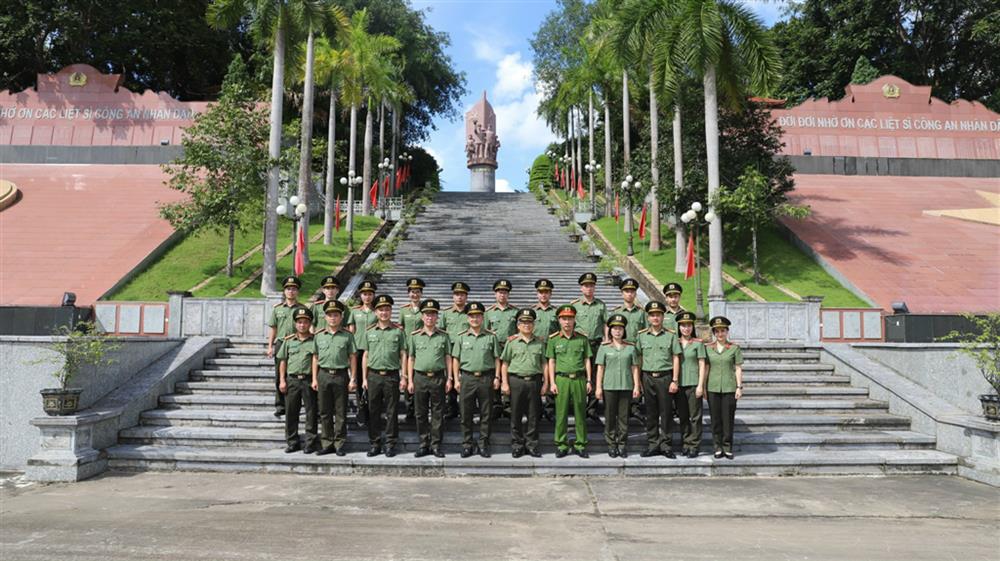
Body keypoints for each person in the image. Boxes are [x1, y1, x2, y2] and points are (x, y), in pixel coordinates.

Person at [452, 302, 501, 458]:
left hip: (486, 378)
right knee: (465, 413)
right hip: (467, 378)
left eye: (478, 316)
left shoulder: (491, 337)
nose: (475, 319)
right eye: (472, 316)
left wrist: (497, 377)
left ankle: (483, 443)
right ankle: (467, 444)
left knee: (486, 413)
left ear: (482, 317)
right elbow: (455, 359)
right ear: (467, 318)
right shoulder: (461, 337)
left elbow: (497, 359)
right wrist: (456, 379)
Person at [359, 294, 406, 457]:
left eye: (387, 310)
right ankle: (375, 443)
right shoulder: (369, 332)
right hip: (373, 376)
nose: (384, 313)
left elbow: (403, 355)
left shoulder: (398, 332)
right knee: (373, 410)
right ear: (376, 312)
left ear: (391, 311)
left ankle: (391, 443)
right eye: (380, 310)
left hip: (392, 376)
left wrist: (404, 376)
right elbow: (365, 355)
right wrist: (364, 378)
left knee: (392, 411)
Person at [406, 298, 452, 458]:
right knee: (421, 413)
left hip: (438, 377)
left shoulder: (444, 336)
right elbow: (410, 358)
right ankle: (423, 444)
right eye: (427, 314)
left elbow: (448, 357)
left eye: (433, 315)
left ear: (437, 317)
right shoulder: (415, 336)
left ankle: (436, 445)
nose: (430, 318)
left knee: (438, 412)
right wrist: (409, 380)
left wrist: (450, 378)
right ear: (422, 317)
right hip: (420, 378)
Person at [636, 301, 682, 458]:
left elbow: (676, 357)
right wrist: (638, 382)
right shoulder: (641, 336)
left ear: (663, 317)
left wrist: (675, 380)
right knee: (651, 413)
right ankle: (653, 444)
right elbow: (638, 359)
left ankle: (666, 445)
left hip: (665, 377)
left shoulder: (671, 335)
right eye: (652, 315)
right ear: (648, 318)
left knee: (666, 412)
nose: (655, 318)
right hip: (647, 377)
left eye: (658, 315)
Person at [546, 304, 593, 458]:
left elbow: (587, 360)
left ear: (574, 320)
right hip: (561, 379)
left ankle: (580, 444)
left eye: (570, 318)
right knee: (561, 414)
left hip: (579, 379)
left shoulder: (582, 339)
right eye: (564, 319)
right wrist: (552, 382)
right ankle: (561, 444)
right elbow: (551, 361)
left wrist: (589, 380)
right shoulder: (553, 340)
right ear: (559, 320)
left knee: (580, 413)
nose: (567, 322)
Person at [312, 299, 357, 456]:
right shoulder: (319, 336)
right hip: (323, 374)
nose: (333, 318)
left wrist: (353, 378)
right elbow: (315, 358)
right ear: (325, 317)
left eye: (336, 315)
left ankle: (339, 443)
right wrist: (314, 378)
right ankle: (327, 442)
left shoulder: (347, 336)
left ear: (341, 317)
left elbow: (352, 357)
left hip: (341, 375)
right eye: (330, 315)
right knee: (324, 411)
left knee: (340, 411)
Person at [500, 308, 547, 458]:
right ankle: (517, 445)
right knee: (515, 415)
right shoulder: (512, 342)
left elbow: (544, 364)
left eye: (529, 322)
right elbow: (505, 363)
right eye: (523, 322)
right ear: (518, 325)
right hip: (516, 381)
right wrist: (504, 383)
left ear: (534, 325)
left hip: (534, 381)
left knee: (534, 415)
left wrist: (546, 383)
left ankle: (531, 445)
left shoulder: (539, 343)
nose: (526, 325)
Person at [595, 314, 641, 458]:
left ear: (624, 330)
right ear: (610, 331)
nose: (617, 331)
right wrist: (598, 387)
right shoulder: (604, 348)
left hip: (626, 386)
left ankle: (622, 444)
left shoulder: (630, 348)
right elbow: (600, 368)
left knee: (623, 417)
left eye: (620, 328)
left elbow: (634, 368)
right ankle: (611, 444)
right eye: (614, 328)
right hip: (609, 386)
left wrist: (636, 386)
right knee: (609, 416)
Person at [277, 306, 318, 453]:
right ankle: (292, 442)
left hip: (308, 380)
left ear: (310, 324)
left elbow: (316, 360)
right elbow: (283, 361)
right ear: (295, 324)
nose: (302, 325)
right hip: (292, 380)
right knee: (291, 412)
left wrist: (314, 379)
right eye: (299, 322)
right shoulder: (289, 341)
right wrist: (282, 380)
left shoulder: (314, 341)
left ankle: (310, 442)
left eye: (305, 322)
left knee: (311, 413)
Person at [705, 316, 744, 460]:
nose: (720, 334)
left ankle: (727, 447)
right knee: (715, 419)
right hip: (712, 387)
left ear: (727, 332)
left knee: (728, 419)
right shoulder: (708, 348)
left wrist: (739, 387)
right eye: (717, 331)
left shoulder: (734, 348)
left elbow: (738, 368)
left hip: (729, 387)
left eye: (722, 331)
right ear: (714, 333)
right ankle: (717, 447)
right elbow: (707, 368)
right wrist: (703, 387)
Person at [572, 272, 606, 422]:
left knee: (595, 375)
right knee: (580, 375)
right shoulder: (574, 306)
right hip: (579, 345)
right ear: (581, 288)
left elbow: (605, 323)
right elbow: (568, 324)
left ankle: (592, 408)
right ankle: (578, 406)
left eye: (591, 286)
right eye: (586, 286)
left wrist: (607, 339)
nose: (589, 289)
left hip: (596, 344)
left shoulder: (601, 305)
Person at [267, 276, 303, 418]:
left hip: (296, 343)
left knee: (293, 376)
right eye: (288, 289)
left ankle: (294, 404)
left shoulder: (302, 309)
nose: (291, 291)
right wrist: (270, 346)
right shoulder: (278, 309)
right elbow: (273, 328)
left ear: (297, 292)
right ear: (284, 291)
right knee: (279, 376)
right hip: (281, 343)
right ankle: (280, 405)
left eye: (294, 289)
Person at [675, 311, 707, 458]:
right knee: (683, 416)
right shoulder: (675, 342)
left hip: (694, 384)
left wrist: (701, 385)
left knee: (695, 417)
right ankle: (685, 443)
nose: (686, 328)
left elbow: (702, 365)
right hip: (679, 384)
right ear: (679, 327)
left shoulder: (698, 343)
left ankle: (694, 445)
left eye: (688, 325)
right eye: (683, 325)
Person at [348, 280, 378, 429]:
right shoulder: (354, 312)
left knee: (372, 380)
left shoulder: (377, 312)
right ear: (360, 295)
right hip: (358, 350)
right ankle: (361, 408)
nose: (367, 297)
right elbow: (351, 332)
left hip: (374, 350)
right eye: (365, 294)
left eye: (370, 294)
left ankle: (373, 409)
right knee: (359, 381)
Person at [440, 281, 470, 419]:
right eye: (457, 294)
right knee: (450, 377)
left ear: (466, 297)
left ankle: (468, 406)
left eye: (462, 295)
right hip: (451, 350)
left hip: (468, 349)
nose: (459, 297)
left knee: (467, 378)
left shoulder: (471, 313)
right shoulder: (446, 313)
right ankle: (452, 407)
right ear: (453, 296)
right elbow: (441, 331)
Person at [399, 278, 425, 422]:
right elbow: (401, 329)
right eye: (412, 292)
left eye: (417, 292)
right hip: (408, 348)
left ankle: (420, 408)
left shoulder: (426, 309)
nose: (415, 295)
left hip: (422, 348)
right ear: (408, 294)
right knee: (408, 376)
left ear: (421, 294)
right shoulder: (403, 310)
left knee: (420, 379)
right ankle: (409, 409)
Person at [532, 278, 558, 422]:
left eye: (546, 292)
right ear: (537, 294)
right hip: (535, 350)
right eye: (541, 292)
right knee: (536, 379)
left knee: (551, 378)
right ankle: (536, 408)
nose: (543, 295)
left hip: (551, 350)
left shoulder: (556, 312)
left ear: (550, 294)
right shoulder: (531, 312)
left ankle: (550, 408)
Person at [611, 278, 647, 343]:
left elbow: (646, 330)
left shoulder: (642, 312)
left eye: (632, 291)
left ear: (635, 294)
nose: (629, 294)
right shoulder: (616, 312)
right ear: (622, 294)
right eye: (627, 291)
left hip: (637, 346)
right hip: (621, 346)